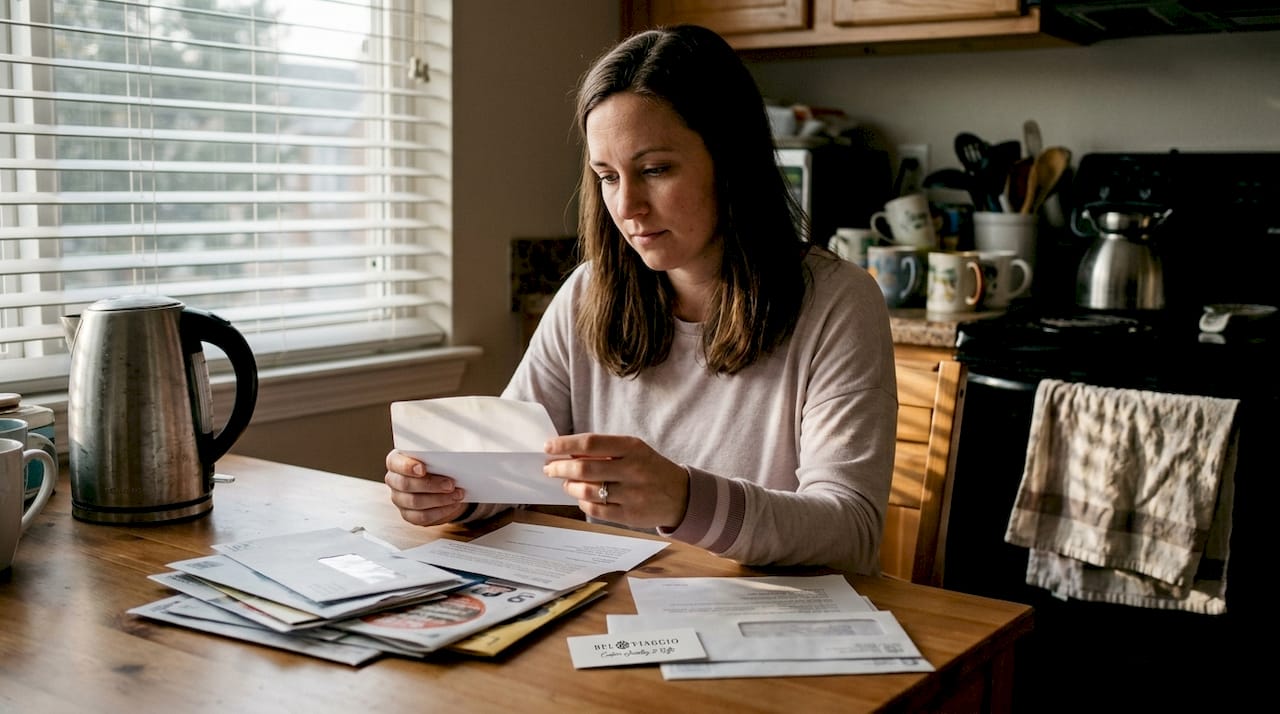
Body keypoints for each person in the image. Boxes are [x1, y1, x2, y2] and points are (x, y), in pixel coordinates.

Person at [384, 24, 897, 574]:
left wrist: (684, 499)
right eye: (607, 176)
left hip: (771, 625)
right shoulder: (586, 293)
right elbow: (512, 466)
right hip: (620, 617)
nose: (628, 205)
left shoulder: (839, 303)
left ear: (732, 162)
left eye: (655, 170)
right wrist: (453, 491)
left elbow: (851, 529)